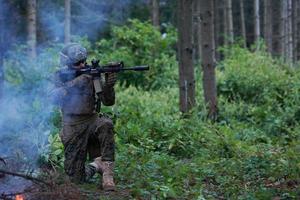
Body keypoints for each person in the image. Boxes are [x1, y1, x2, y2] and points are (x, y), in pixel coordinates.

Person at [51, 43, 117, 191]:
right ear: (67, 63)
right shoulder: (59, 76)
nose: (82, 65)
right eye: (77, 63)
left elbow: (107, 101)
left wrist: (109, 86)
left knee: (106, 124)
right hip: (72, 125)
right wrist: (77, 83)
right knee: (75, 179)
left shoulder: (91, 75)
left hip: (92, 121)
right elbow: (53, 98)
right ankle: (96, 165)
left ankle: (108, 174)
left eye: (84, 61)